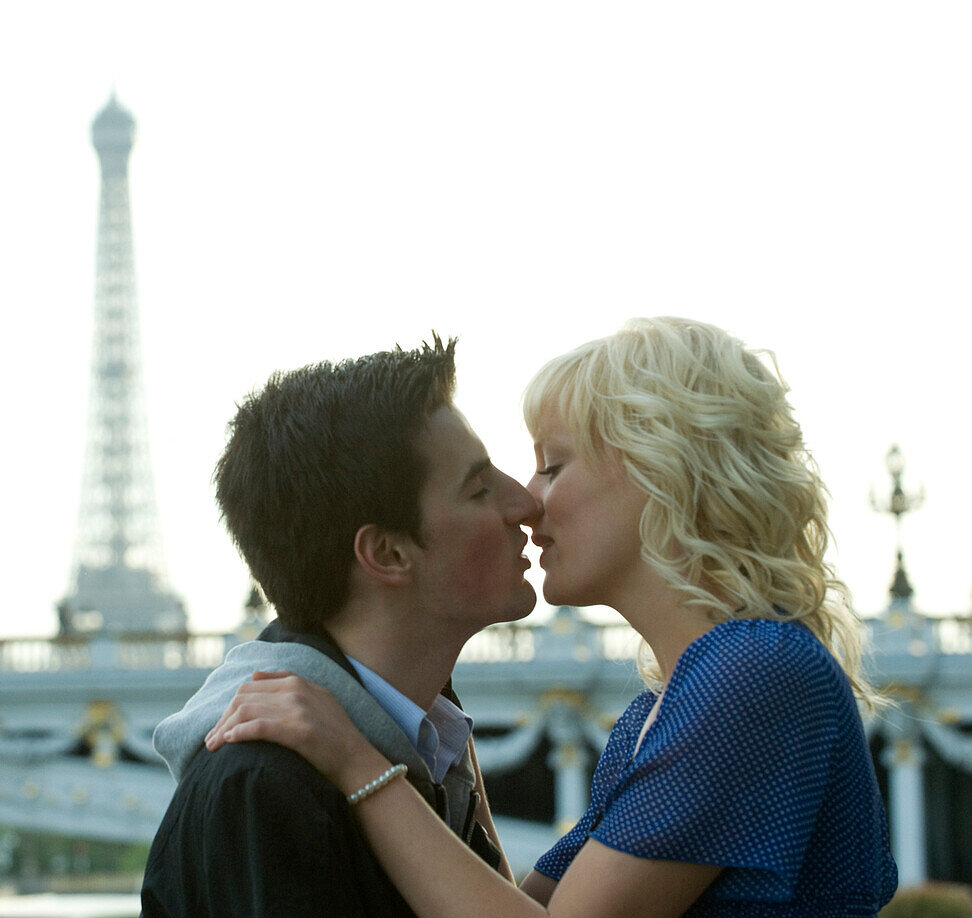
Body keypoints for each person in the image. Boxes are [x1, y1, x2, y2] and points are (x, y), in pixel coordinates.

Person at [209, 317, 899, 917]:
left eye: (553, 467)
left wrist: (355, 758)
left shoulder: (754, 672)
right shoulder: (659, 713)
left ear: (662, 474)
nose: (528, 501)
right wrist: (446, 757)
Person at [139, 337, 539, 917]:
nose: (524, 502)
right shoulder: (262, 788)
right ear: (387, 553)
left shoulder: (429, 739)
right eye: (479, 489)